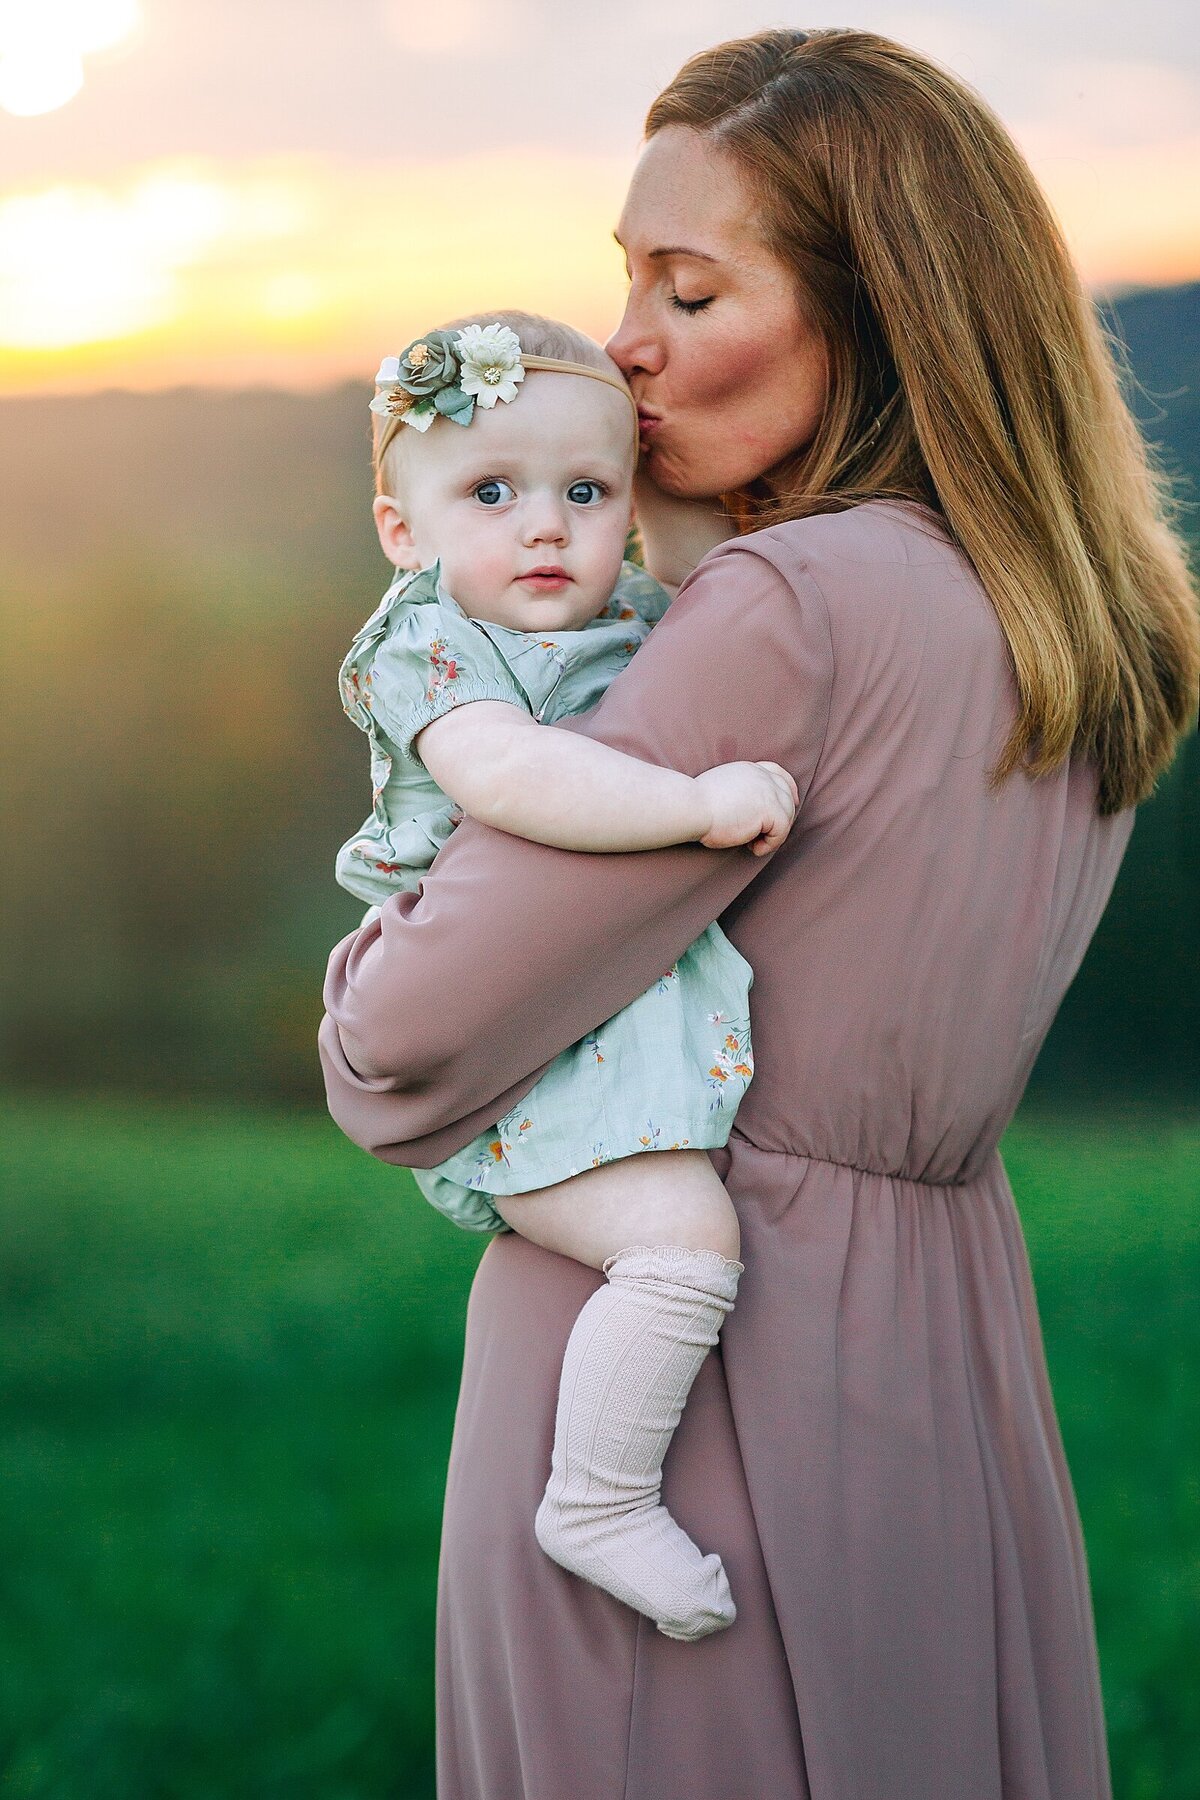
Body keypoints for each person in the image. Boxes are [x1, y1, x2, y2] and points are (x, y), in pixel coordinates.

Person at [319, 28, 1200, 1800]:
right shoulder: (1067, 617)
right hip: (949, 1349)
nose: (626, 342)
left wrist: (369, 959)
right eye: (625, 276)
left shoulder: (784, 609)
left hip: (688, 1372)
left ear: (873, 310)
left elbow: (401, 1038)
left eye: (692, 287)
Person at [334, 308, 800, 1643]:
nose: (546, 527)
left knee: (692, 1229)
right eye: (492, 492)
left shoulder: (624, 615)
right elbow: (513, 777)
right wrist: (693, 804)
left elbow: (721, 581)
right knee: (683, 1247)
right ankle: (596, 1498)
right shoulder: (430, 648)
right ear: (401, 531)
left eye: (586, 493)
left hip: (607, 1030)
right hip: (518, 1052)